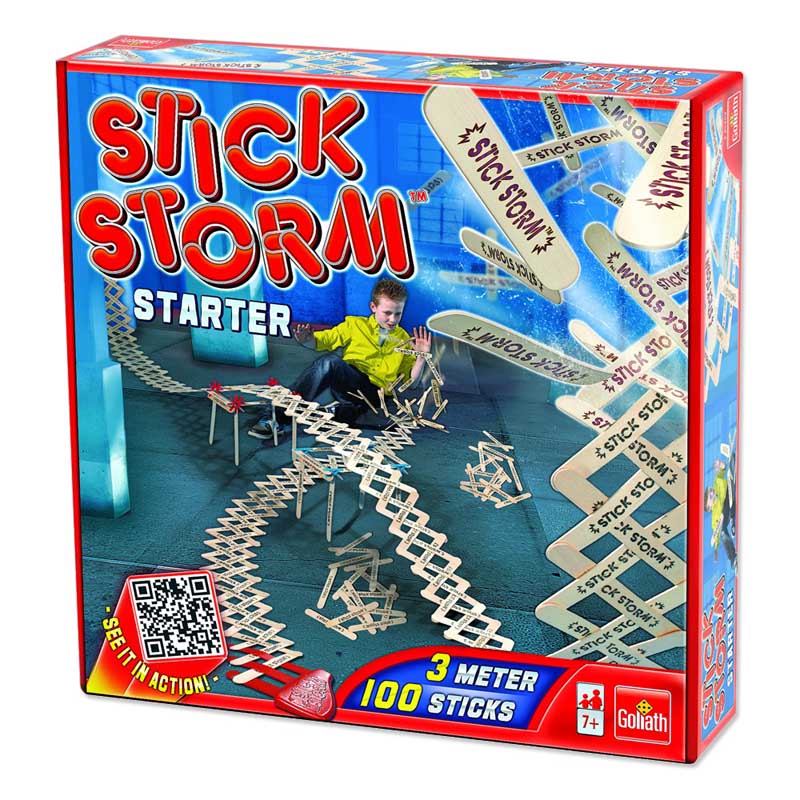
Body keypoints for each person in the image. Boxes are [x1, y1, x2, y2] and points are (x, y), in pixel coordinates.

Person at [249, 278, 431, 439]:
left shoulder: (404, 340)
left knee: (385, 421)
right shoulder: (355, 325)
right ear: (373, 307)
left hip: (376, 397)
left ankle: (334, 412)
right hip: (349, 382)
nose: (392, 319)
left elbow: (411, 384)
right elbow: (324, 341)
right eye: (387, 313)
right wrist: (308, 339)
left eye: (398, 314)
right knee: (330, 363)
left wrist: (421, 358)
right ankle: (276, 417)